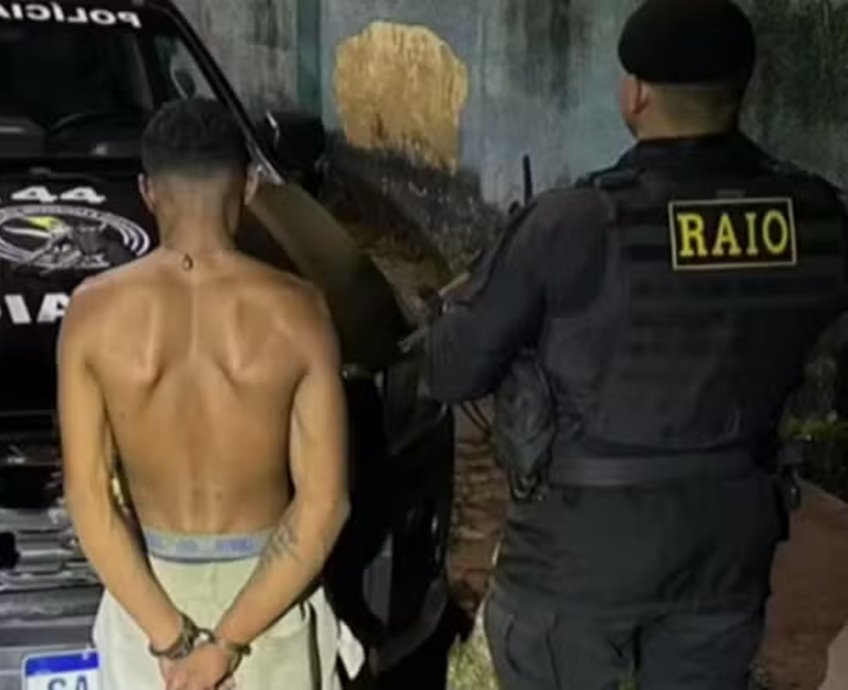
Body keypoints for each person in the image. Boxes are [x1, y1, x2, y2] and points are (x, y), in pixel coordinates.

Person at [424, 0, 848, 688]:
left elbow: (451, 371)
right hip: (726, 545)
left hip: (578, 554)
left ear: (637, 93)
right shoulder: (818, 219)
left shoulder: (574, 223)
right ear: (741, 89)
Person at [57, 98, 364, 690]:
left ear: (148, 192)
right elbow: (326, 504)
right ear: (248, 187)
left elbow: (88, 499)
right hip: (268, 604)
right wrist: (224, 645)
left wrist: (170, 640)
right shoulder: (300, 313)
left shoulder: (92, 314)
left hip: (147, 597)